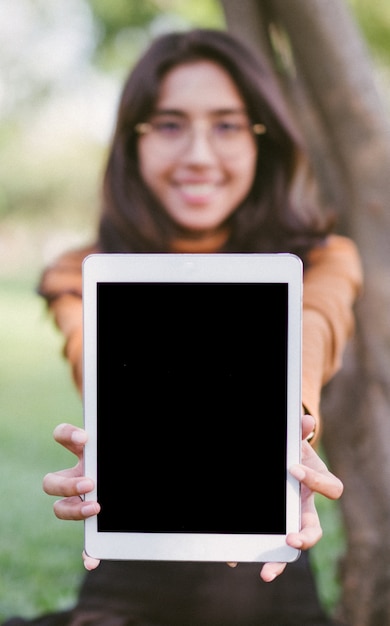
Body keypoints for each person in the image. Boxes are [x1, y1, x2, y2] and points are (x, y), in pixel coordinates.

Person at [5, 28, 362, 626]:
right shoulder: (82, 270)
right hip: (134, 550)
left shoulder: (321, 259)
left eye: (226, 124)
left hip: (260, 558)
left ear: (262, 139)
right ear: (133, 141)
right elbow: (89, 353)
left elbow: (312, 328)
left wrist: (287, 425)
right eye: (169, 124)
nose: (198, 154)